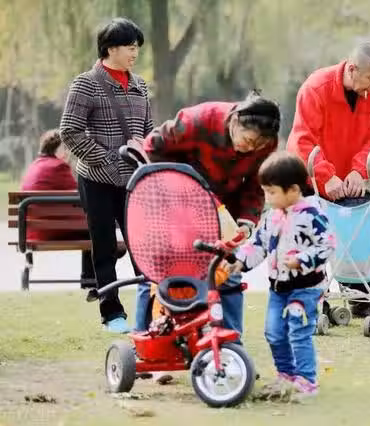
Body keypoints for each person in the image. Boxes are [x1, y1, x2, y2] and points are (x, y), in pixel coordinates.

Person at [142, 90, 281, 339]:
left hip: (223, 212)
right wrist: (180, 184)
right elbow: (152, 146)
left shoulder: (266, 143)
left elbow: (255, 184)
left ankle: (231, 342)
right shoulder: (199, 120)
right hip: (178, 204)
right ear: (235, 120)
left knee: (228, 271)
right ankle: (146, 338)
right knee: (159, 272)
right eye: (248, 140)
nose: (250, 149)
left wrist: (247, 222)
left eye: (258, 146)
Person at [59, 18, 153, 333]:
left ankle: (152, 311)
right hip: (96, 179)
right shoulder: (85, 83)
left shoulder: (140, 85)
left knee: (143, 246)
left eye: (137, 47)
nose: (135, 53)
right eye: (129, 47)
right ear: (110, 48)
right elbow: (70, 131)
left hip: (134, 180)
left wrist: (147, 150)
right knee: (104, 248)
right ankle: (111, 314)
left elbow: (148, 129)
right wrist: (108, 159)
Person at [286, 41, 370, 317]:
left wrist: (359, 171)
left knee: (355, 234)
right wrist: (325, 175)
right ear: (352, 69)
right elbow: (302, 139)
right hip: (309, 174)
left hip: (349, 178)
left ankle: (360, 293)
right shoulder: (316, 87)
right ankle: (314, 297)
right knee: (310, 237)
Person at [224, 151, 334, 402]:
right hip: (278, 288)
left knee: (298, 330)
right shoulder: (272, 217)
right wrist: (239, 262)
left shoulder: (312, 215)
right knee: (273, 332)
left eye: (271, 192)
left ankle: (306, 381)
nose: (267, 198)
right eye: (265, 192)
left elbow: (327, 245)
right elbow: (258, 245)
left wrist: (302, 260)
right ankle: (286, 375)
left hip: (305, 288)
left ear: (293, 189)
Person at [21, 130, 94, 286]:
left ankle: (89, 280)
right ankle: (89, 281)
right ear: (54, 149)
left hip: (33, 232)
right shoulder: (58, 166)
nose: (68, 153)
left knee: (92, 229)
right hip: (51, 230)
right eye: (64, 148)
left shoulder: (34, 166)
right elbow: (80, 196)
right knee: (96, 231)